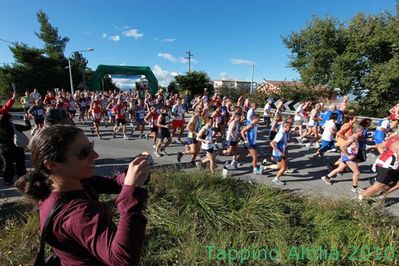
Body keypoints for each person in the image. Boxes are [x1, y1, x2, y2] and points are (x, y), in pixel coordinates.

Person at [15, 125, 149, 265]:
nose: (95, 155)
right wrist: (131, 193)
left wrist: (134, 173)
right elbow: (122, 260)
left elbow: (113, 182)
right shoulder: (77, 214)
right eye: (84, 152)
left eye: (91, 146)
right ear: (52, 164)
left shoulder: (66, 183)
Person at [321, 125, 365, 193]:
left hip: (348, 157)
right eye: (362, 131)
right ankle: (355, 188)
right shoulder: (352, 138)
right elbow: (342, 147)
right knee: (357, 172)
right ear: (359, 132)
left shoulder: (355, 138)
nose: (363, 133)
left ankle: (326, 177)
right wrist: (348, 155)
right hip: (349, 158)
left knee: (339, 169)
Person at [358, 135, 399, 201]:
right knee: (379, 186)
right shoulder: (397, 143)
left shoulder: (395, 137)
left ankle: (378, 196)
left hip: (389, 165)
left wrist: (384, 155)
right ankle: (359, 199)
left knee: (396, 183)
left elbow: (379, 146)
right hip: (387, 167)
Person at [0, 113, 31, 185]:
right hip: (16, 148)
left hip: (4, 149)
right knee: (20, 164)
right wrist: (27, 120)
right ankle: (22, 180)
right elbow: (28, 127)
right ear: (9, 119)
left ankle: (8, 180)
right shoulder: (14, 126)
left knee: (7, 165)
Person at [269, 121, 290, 186]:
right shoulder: (281, 134)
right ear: (285, 127)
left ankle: (265, 167)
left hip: (281, 152)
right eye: (289, 127)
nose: (290, 128)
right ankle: (275, 179)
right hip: (279, 154)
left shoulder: (284, 133)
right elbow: (272, 143)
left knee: (279, 167)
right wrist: (279, 151)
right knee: (284, 168)